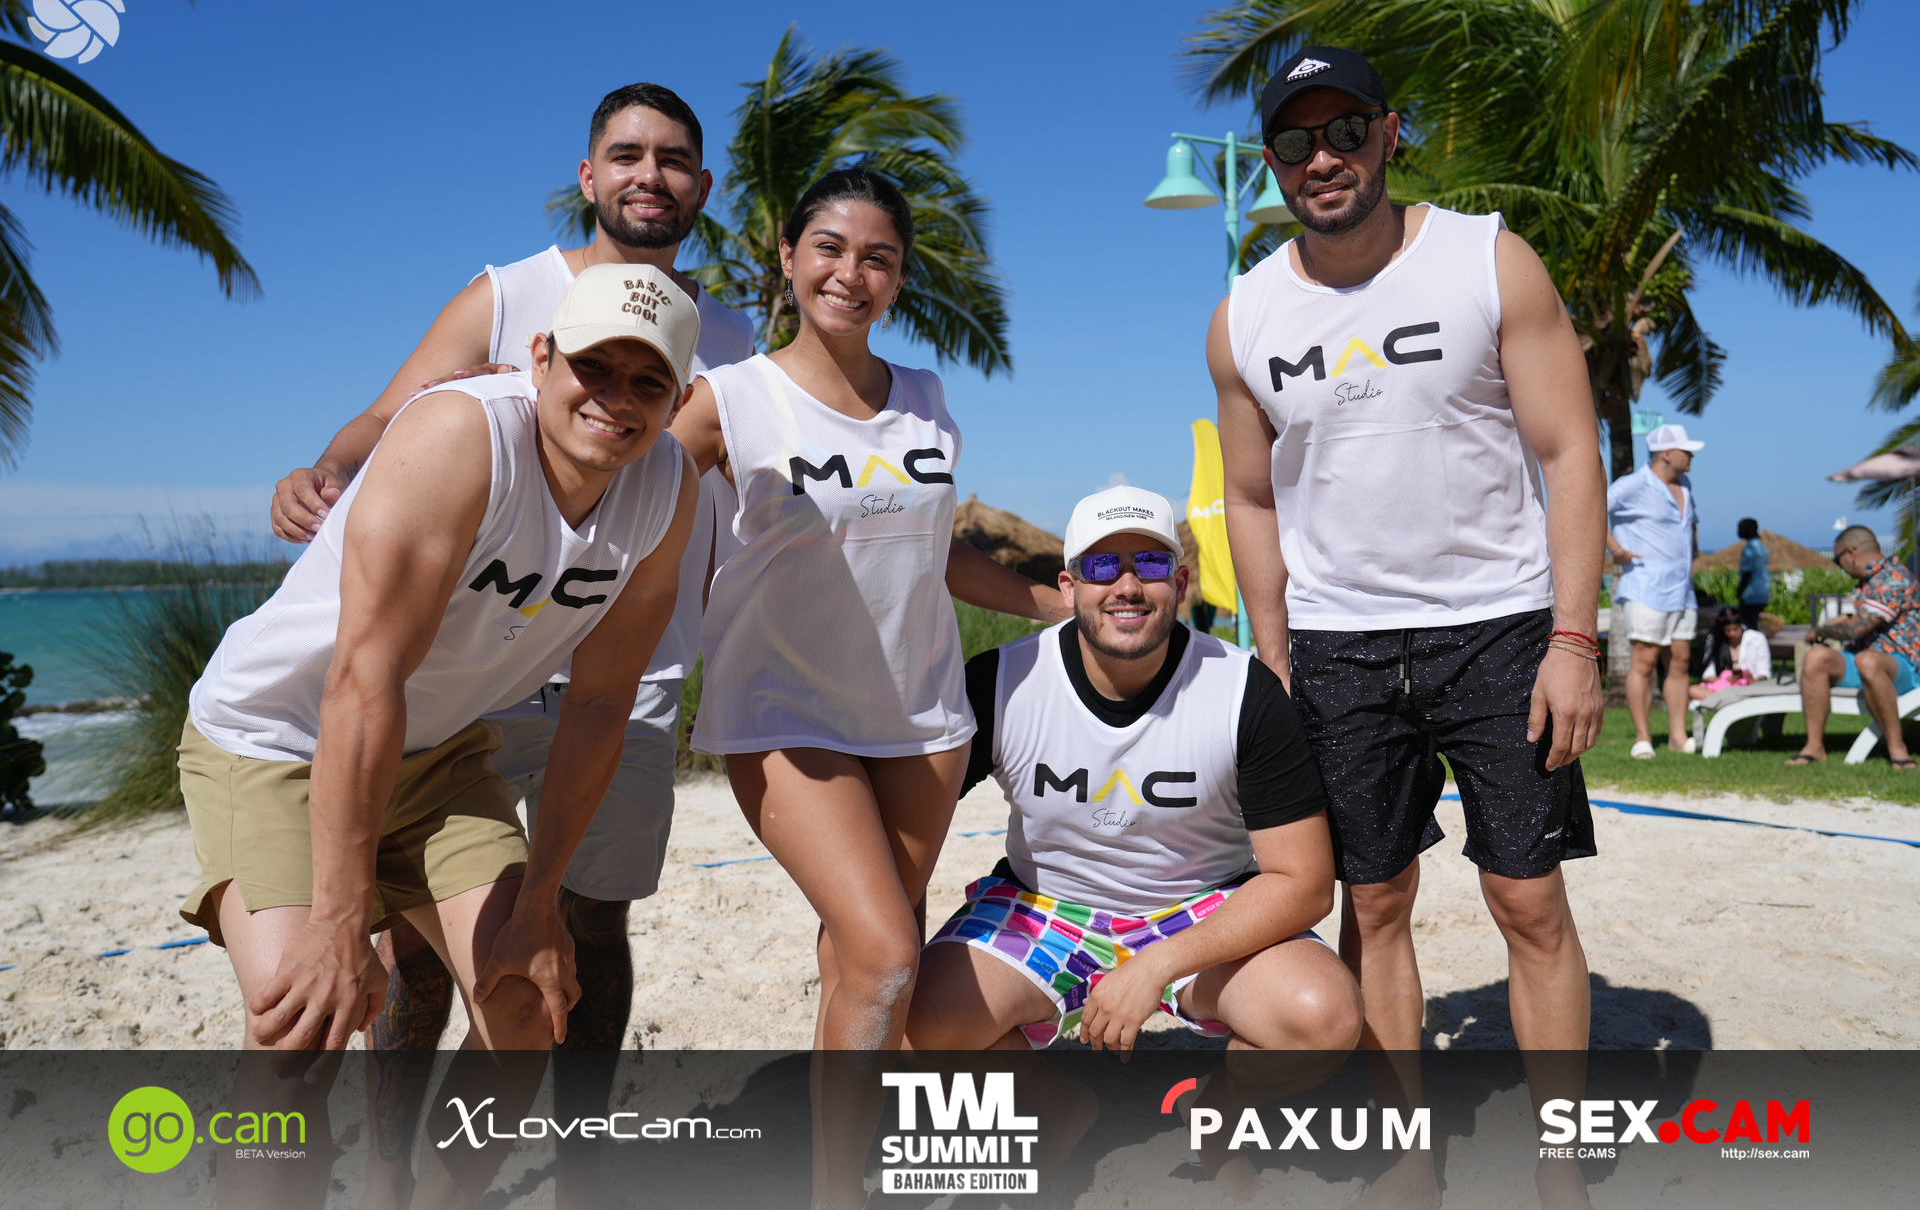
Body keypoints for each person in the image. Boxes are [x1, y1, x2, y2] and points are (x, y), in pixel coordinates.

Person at [267, 83, 753, 1208]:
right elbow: (393, 416)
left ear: (702, 186)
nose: (649, 175)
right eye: (625, 154)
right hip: (473, 672)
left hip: (628, 674)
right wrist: (324, 470)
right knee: (420, 943)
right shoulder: (509, 293)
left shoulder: (728, 341)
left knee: (586, 923)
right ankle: (392, 1169)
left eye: (672, 159)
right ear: (588, 175)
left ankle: (578, 1164)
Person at [181, 264, 699, 1208]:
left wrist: (540, 902)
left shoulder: (666, 489)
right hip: (278, 739)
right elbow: (362, 681)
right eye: (593, 366)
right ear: (542, 358)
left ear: (680, 399)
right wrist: (341, 920)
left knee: (524, 1003)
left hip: (438, 751)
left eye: (648, 380)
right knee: (301, 1029)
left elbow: (599, 704)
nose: (615, 398)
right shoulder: (461, 437)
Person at [1208, 45, 1606, 1209]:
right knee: (1372, 903)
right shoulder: (1244, 314)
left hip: (1501, 628)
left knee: (1527, 897)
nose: (1322, 158)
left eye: (1345, 130)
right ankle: (1406, 1155)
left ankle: (1561, 1166)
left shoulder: (1487, 257)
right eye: (1295, 141)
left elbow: (1569, 450)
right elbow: (1249, 497)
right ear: (1272, 162)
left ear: (1391, 133)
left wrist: (1574, 640)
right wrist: (1274, 655)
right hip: (1336, 644)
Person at [667, 167, 1067, 1210]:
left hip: (922, 721)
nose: (852, 273)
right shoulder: (731, 400)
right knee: (889, 953)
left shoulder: (926, 398)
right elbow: (617, 497)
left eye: (878, 257)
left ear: (900, 277)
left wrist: (1052, 601)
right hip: (782, 714)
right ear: (789, 256)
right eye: (831, 248)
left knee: (862, 956)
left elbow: (936, 553)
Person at [905, 486, 1361, 1197]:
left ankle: (1218, 1114)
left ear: (1181, 582)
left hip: (1199, 905)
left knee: (1323, 1018)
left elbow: (1303, 883)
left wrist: (1155, 966)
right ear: (1068, 587)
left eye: (1149, 564)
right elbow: (905, 826)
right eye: (1101, 567)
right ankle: (1054, 1108)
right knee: (909, 1023)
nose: (1126, 585)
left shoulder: (1241, 688)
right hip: (1045, 904)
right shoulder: (1003, 680)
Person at [1607, 422, 1706, 758]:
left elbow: (1690, 523)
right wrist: (1615, 549)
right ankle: (1643, 738)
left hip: (1682, 590)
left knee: (1680, 661)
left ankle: (1678, 737)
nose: (1691, 456)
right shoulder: (1633, 485)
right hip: (1646, 588)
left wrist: (1695, 548)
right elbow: (1592, 507)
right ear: (1666, 454)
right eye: (1686, 450)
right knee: (1645, 662)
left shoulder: (1685, 485)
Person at [1788, 526, 1920, 768]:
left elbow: (1856, 629)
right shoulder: (1869, 582)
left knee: (1867, 660)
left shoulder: (1893, 578)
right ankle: (1814, 746)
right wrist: (1845, 620)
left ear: (1851, 554)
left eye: (1837, 560)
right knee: (1816, 657)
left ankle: (1897, 748)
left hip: (1905, 666)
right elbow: (1867, 620)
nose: (1840, 567)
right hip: (1865, 661)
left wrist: (1820, 630)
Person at [1688, 607, 1771, 700]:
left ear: (1741, 625)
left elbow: (1764, 672)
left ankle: (1725, 701)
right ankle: (1729, 700)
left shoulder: (1757, 638)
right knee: (1693, 689)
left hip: (1750, 688)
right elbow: (1708, 675)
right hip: (1723, 689)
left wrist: (1753, 679)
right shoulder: (1715, 640)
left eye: (1735, 629)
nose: (1732, 633)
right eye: (1728, 630)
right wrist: (1726, 680)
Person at [1737, 517, 1772, 629]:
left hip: (1752, 592)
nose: (1738, 531)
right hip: (1763, 590)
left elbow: (1747, 572)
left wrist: (1739, 591)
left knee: (1748, 625)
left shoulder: (1750, 548)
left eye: (1740, 528)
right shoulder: (1762, 547)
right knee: (1753, 623)